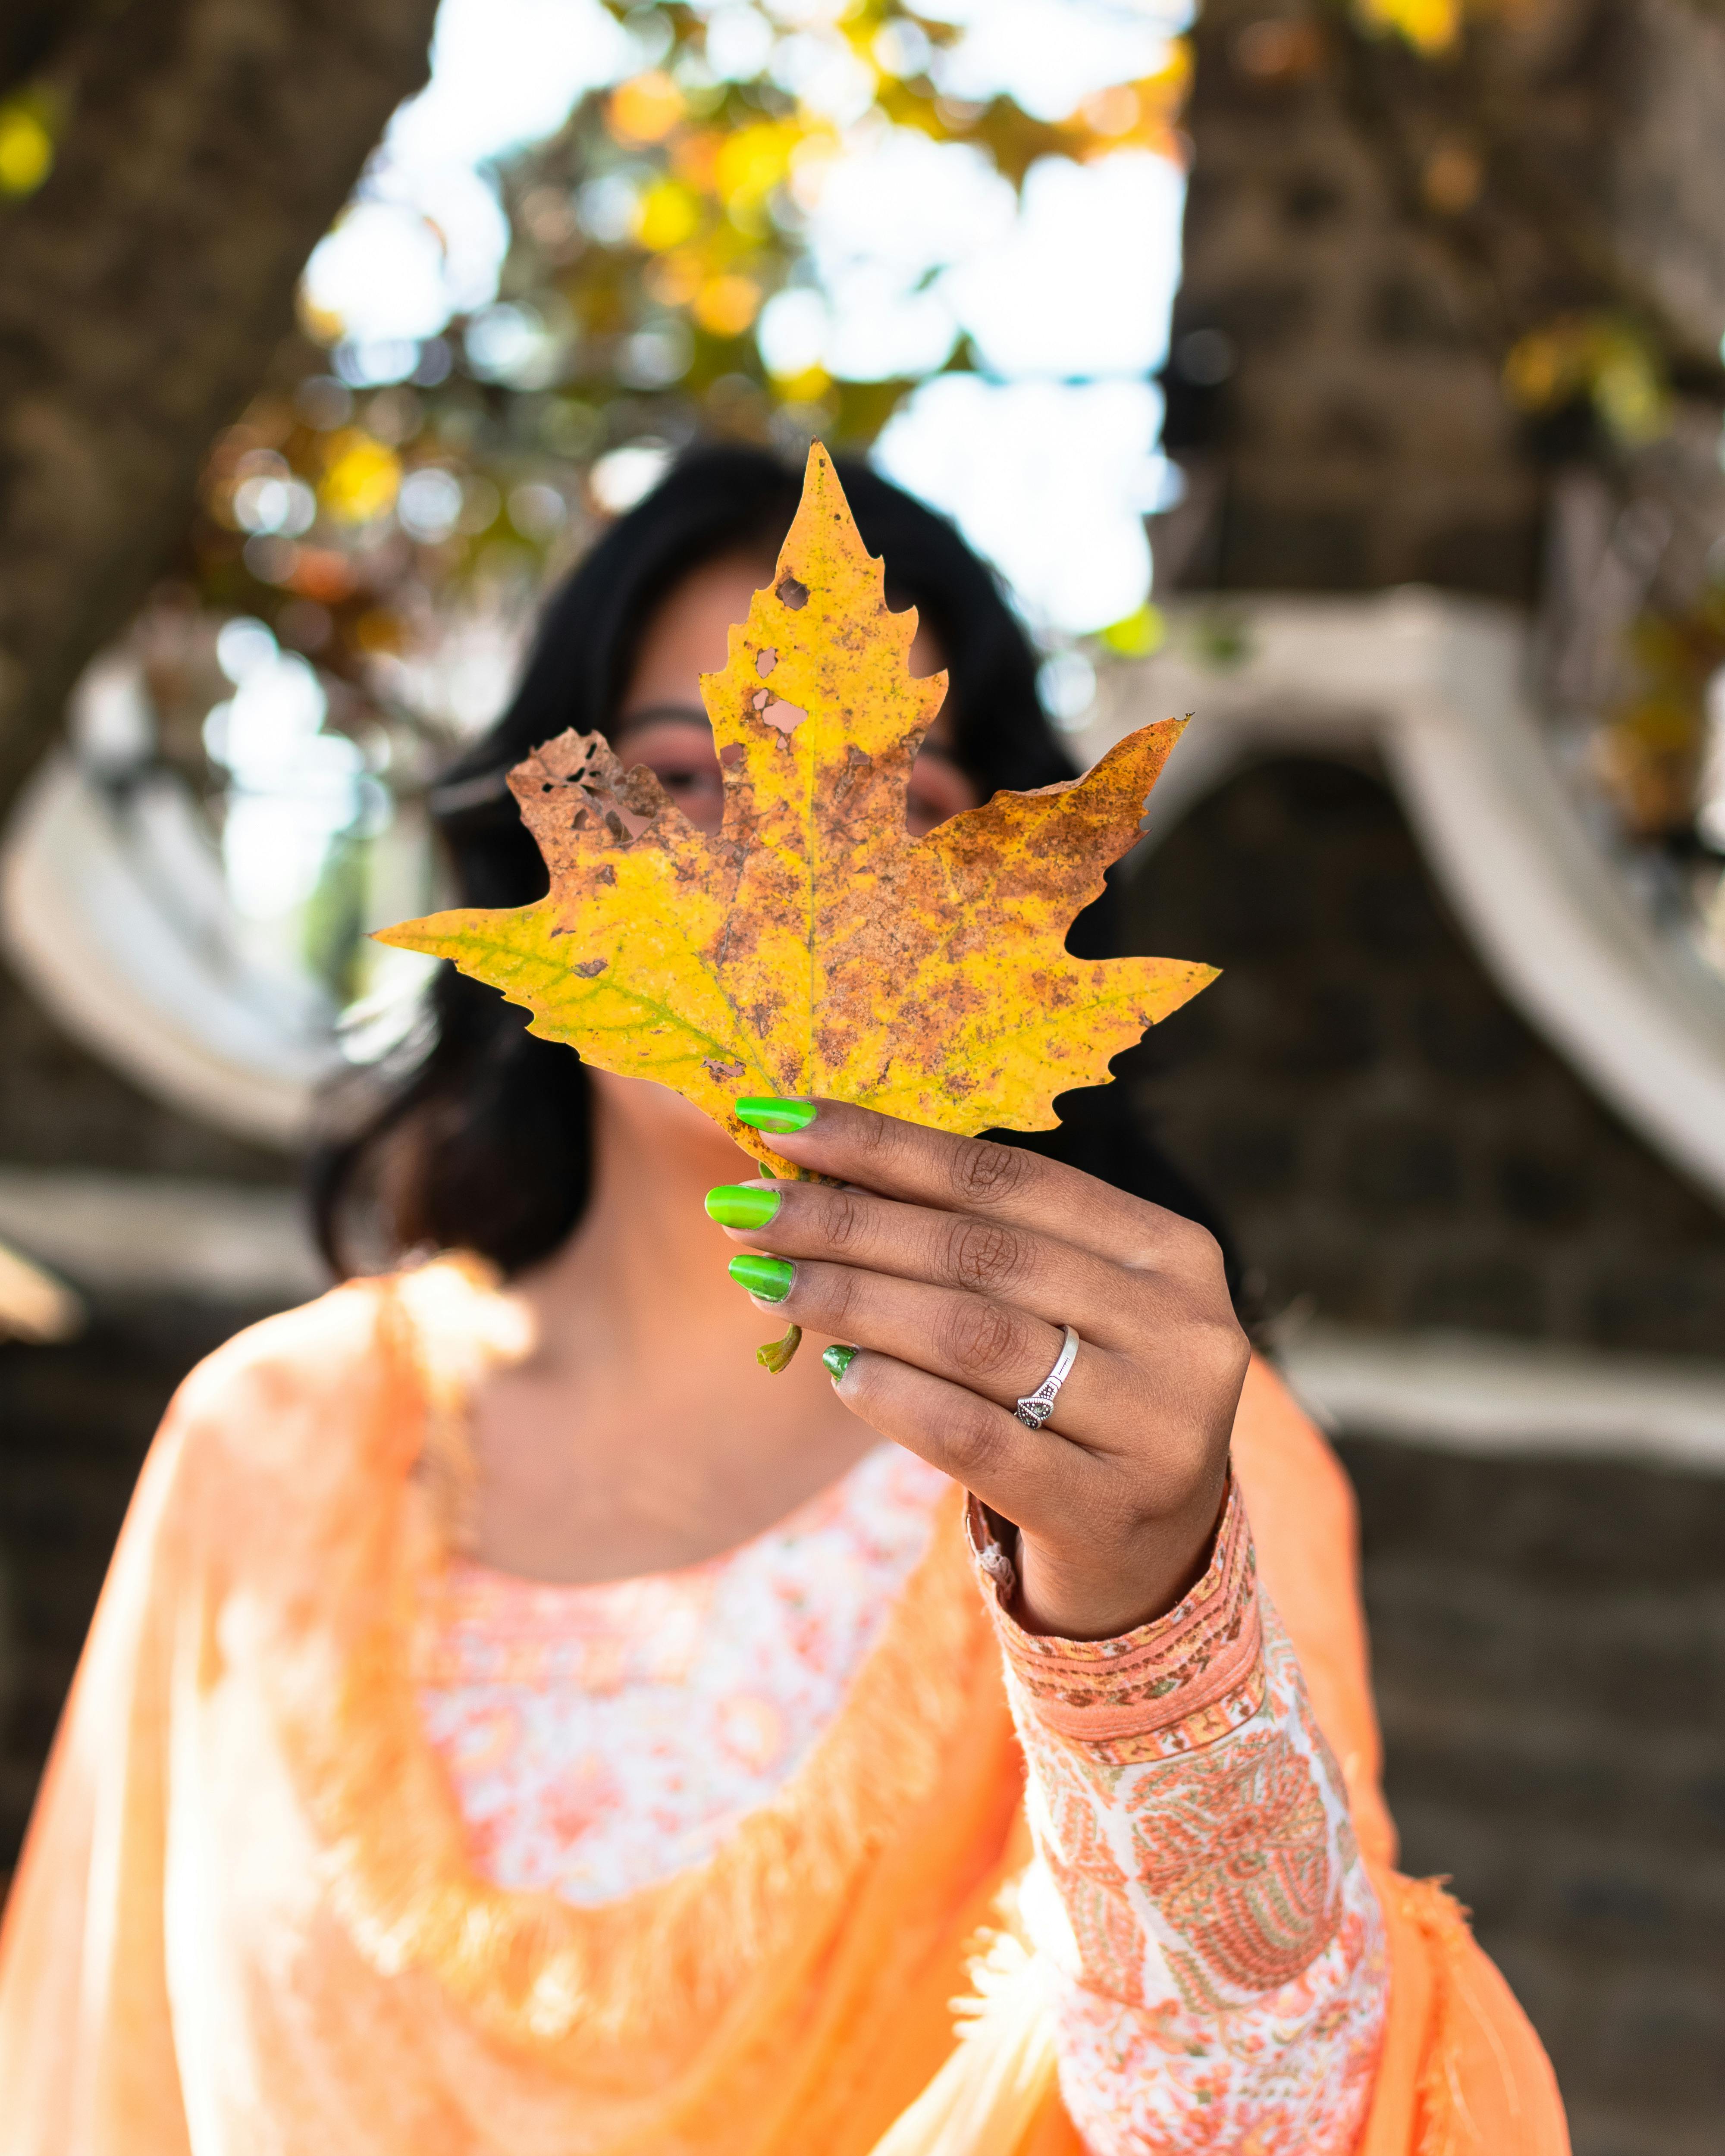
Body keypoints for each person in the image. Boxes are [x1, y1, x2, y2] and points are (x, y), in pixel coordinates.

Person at [0, 448, 1566, 2154]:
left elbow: (1287, 2113)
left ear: (1013, 919)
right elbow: (84, 2069)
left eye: (896, 802)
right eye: (678, 775)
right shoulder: (267, 1441)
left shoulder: (1151, 1462)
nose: (764, 857)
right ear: (541, 858)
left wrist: (1146, 1640)